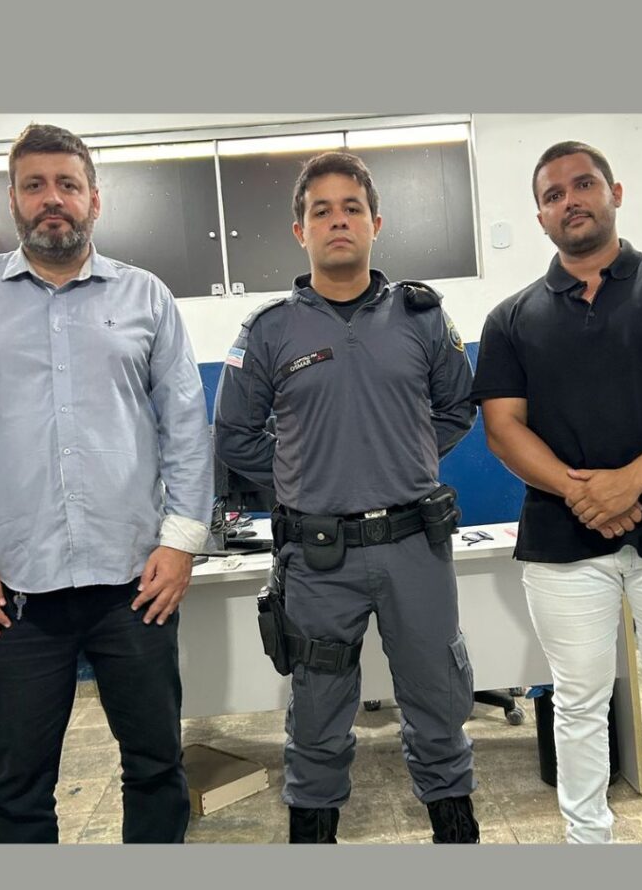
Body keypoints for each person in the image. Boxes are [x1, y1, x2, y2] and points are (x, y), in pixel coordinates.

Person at [0, 123, 214, 843]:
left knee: (156, 765)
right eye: (35, 185)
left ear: (93, 200)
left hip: (134, 584)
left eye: (68, 185)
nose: (53, 199)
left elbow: (185, 425)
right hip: (12, 591)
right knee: (18, 783)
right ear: (12, 201)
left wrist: (181, 542)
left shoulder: (146, 297)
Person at [471, 140, 642, 844]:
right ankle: (588, 845)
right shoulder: (510, 318)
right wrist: (582, 493)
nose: (571, 200)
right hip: (562, 539)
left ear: (614, 193)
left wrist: (632, 480)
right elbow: (503, 429)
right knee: (577, 702)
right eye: (553, 194)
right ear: (540, 216)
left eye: (583, 184)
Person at [213, 151, 480, 844]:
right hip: (318, 559)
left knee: (439, 705)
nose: (338, 221)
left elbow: (457, 407)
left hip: (415, 550)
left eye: (352, 208)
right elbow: (235, 435)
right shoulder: (270, 330)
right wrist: (303, 476)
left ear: (375, 223)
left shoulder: (422, 318)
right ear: (299, 230)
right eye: (321, 210)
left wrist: (404, 455)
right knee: (317, 718)